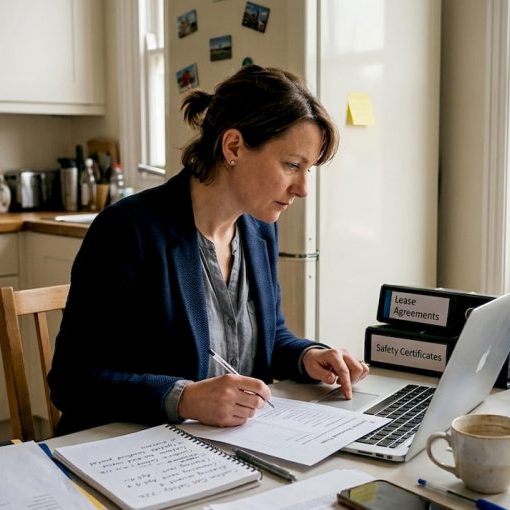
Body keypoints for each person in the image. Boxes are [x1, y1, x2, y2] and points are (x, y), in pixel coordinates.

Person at [48, 65, 369, 435]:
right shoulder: (128, 230)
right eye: (291, 165)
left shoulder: (258, 231)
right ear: (233, 147)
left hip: (228, 445)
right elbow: (73, 381)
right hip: (128, 449)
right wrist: (185, 398)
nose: (302, 188)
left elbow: (266, 337)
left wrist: (307, 356)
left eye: (307, 170)